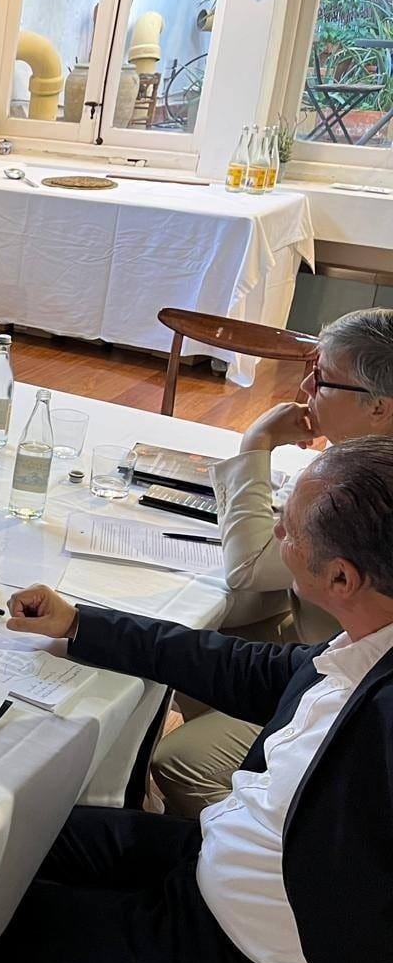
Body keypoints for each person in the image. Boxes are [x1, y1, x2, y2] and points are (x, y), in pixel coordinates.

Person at [0, 436, 393, 963]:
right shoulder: (368, 641)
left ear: (342, 578)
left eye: (289, 528)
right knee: (3, 835)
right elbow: (246, 668)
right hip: (204, 866)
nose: (276, 532)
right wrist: (82, 624)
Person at [153, 307, 393, 817]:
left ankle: (241, 843)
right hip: (316, 646)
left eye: (322, 378)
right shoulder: (365, 457)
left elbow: (252, 567)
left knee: (180, 760)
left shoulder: (370, 495)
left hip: (349, 688)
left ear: (379, 407)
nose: (304, 387)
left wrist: (256, 444)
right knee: (193, 637)